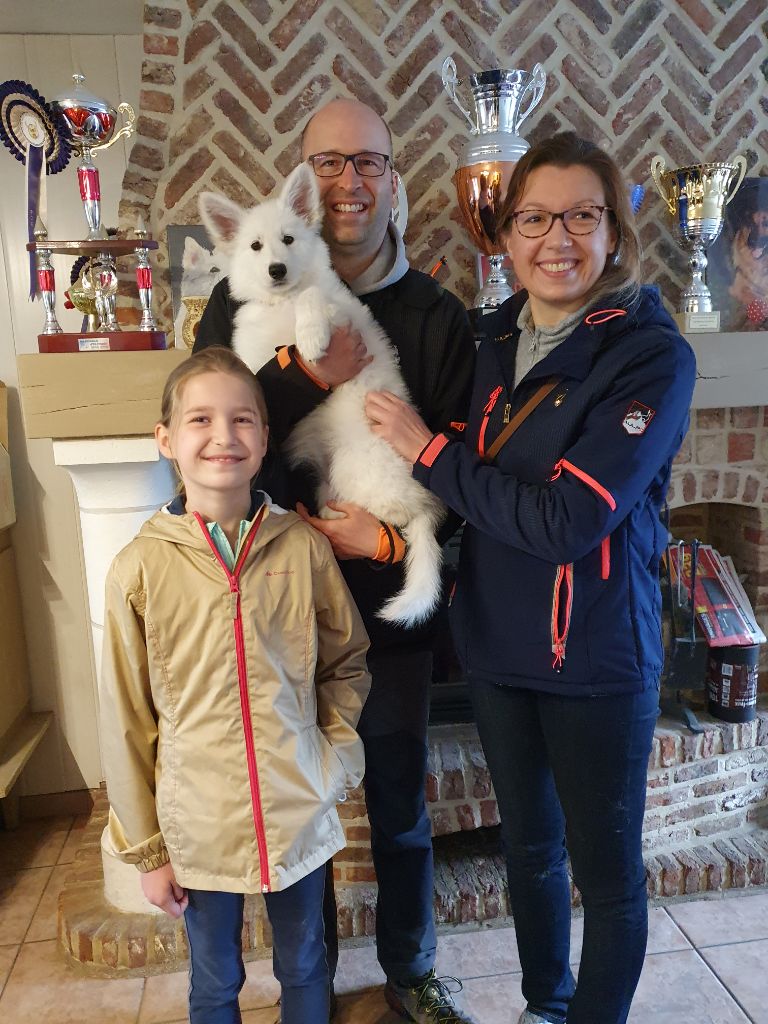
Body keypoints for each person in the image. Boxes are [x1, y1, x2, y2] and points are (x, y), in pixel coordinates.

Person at [366, 132, 697, 1024]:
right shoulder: (491, 336)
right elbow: (470, 490)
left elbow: (566, 521)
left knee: (608, 876)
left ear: (615, 230)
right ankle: (546, 1006)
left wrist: (429, 452)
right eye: (535, 219)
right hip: (498, 648)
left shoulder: (651, 357)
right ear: (506, 236)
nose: (557, 239)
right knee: (529, 849)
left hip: (596, 655)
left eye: (581, 216)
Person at [194, 96, 476, 1023]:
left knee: (398, 806)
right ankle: (305, 988)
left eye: (368, 162)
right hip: (280, 603)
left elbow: (461, 470)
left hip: (384, 598)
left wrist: (391, 541)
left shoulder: (437, 317)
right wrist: (306, 375)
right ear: (304, 181)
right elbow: (220, 440)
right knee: (292, 814)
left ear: (392, 180)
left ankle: (412, 973)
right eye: (329, 161)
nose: (348, 181)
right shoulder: (237, 296)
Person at [100, 347, 371, 1024]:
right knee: (215, 981)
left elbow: (346, 661)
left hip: (297, 807)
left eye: (242, 418)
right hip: (197, 825)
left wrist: (333, 759)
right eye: (200, 419)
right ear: (166, 439)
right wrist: (148, 850)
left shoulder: (302, 548)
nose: (223, 435)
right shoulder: (139, 568)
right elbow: (126, 718)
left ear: (265, 438)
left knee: (306, 966)